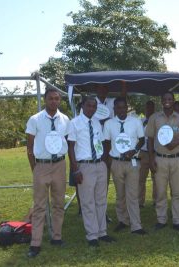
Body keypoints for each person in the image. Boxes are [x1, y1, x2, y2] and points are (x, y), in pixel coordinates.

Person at [25, 88, 70, 257]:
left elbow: (68, 142)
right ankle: (35, 243)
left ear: (60, 100)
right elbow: (29, 147)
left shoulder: (65, 119)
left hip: (59, 164)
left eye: (57, 98)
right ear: (45, 100)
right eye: (51, 98)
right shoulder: (35, 119)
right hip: (41, 166)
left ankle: (56, 237)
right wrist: (34, 168)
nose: (54, 101)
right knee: (39, 206)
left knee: (58, 203)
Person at [68, 96, 115, 246]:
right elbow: (70, 148)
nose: (92, 109)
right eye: (89, 105)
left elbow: (101, 143)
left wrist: (104, 162)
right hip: (85, 166)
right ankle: (92, 235)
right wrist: (75, 169)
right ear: (82, 105)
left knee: (101, 201)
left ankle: (102, 232)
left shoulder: (96, 123)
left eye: (94, 106)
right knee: (88, 202)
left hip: (99, 164)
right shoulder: (74, 123)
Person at [103, 97, 147, 234]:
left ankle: (136, 225)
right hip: (116, 163)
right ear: (114, 109)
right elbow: (106, 143)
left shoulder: (135, 121)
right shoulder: (109, 124)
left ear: (127, 108)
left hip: (133, 162)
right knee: (120, 194)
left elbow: (141, 139)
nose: (121, 110)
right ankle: (123, 220)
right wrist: (109, 160)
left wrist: (134, 150)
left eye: (124, 107)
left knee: (133, 195)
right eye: (118, 107)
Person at [146, 92, 179, 232]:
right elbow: (150, 139)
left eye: (170, 99)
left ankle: (177, 220)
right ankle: (161, 219)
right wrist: (151, 159)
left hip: (177, 159)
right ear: (161, 101)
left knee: (177, 191)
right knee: (161, 191)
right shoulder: (154, 118)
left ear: (173, 101)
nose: (167, 101)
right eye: (165, 99)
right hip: (160, 159)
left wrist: (176, 142)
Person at [139, 100, 157, 207]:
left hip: (155, 153)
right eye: (148, 107)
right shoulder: (140, 121)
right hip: (143, 152)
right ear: (145, 109)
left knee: (156, 178)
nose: (149, 110)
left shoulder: (157, 121)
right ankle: (140, 201)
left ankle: (156, 200)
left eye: (151, 108)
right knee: (141, 179)